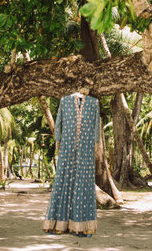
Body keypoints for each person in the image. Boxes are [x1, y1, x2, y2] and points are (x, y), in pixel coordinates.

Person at [43, 90, 99, 236]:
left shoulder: (94, 103)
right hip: (67, 147)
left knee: (84, 184)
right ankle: (59, 222)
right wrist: (58, 141)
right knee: (64, 180)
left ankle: (81, 224)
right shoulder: (64, 101)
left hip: (86, 149)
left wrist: (96, 143)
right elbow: (59, 121)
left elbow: (96, 126)